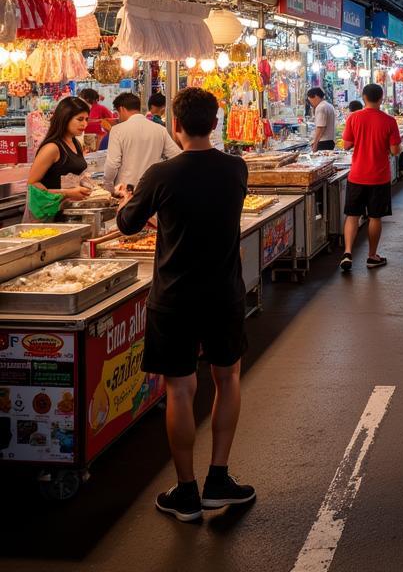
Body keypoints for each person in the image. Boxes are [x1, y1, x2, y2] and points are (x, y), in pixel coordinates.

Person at [116, 88, 255, 521]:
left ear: (175, 126)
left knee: (179, 388)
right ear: (215, 124)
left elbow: (127, 224)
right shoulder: (236, 168)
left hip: (174, 297)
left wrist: (127, 196)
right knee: (227, 377)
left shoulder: (162, 175)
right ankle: (218, 479)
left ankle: (187, 491)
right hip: (224, 292)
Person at [340, 83, 402, 272]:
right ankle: (372, 256)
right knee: (375, 217)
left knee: (352, 215)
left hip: (357, 175)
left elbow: (346, 145)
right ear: (381, 98)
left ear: (363, 97)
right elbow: (394, 150)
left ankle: (348, 252)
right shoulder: (389, 121)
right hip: (379, 176)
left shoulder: (354, 118)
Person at [25, 96, 93, 219]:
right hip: (50, 216)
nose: (84, 124)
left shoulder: (75, 143)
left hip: (69, 213)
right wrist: (67, 193)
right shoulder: (52, 148)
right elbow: (32, 185)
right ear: (65, 118)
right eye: (80, 119)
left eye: (87, 119)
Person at [103, 92, 181, 194]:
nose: (119, 117)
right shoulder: (159, 129)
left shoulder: (117, 130)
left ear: (121, 109)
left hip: (126, 191)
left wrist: (108, 187)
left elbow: (112, 164)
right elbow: (176, 156)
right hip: (153, 189)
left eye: (118, 113)